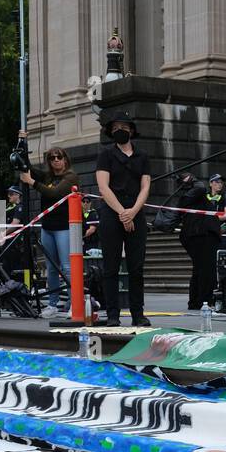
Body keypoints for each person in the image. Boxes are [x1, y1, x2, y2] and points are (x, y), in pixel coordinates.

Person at [96, 111, 151, 327]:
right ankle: (113, 315)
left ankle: (138, 314)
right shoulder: (106, 155)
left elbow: (145, 186)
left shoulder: (142, 156)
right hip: (112, 212)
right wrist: (122, 212)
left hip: (136, 212)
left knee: (136, 267)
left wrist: (133, 212)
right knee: (111, 266)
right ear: (111, 131)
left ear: (132, 130)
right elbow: (103, 187)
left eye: (125, 126)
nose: (121, 130)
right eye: (116, 127)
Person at [19, 147, 80, 318]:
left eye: (58, 157)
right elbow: (28, 168)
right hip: (48, 227)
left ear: (65, 159)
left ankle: (74, 303)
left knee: (67, 268)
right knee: (51, 268)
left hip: (64, 227)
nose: (55, 160)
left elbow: (55, 194)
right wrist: (22, 147)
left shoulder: (70, 177)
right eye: (52, 158)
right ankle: (53, 304)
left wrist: (31, 182)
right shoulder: (48, 176)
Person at [177, 172, 226, 312]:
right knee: (206, 269)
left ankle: (196, 302)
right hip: (201, 234)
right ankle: (204, 301)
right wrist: (192, 179)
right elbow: (200, 187)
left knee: (199, 268)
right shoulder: (194, 192)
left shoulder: (188, 196)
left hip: (195, 234)